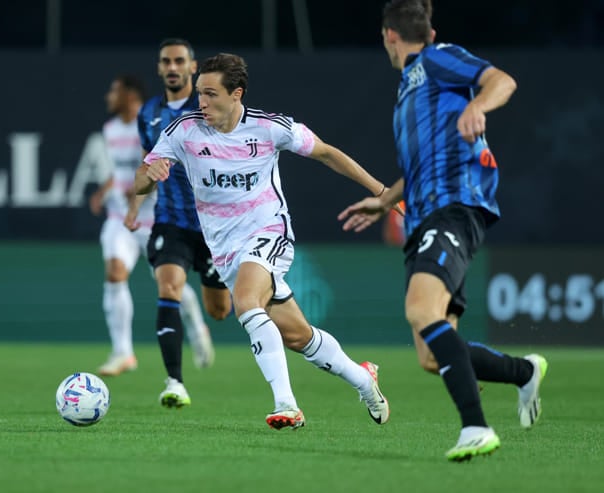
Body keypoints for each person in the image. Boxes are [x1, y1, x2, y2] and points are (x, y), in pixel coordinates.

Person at [338, 0, 547, 461]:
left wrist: (478, 103)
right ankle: (523, 373)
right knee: (432, 355)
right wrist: (386, 201)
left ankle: (476, 428)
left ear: (389, 35)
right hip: (423, 217)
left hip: (454, 208)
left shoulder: (436, 59)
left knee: (419, 308)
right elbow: (422, 166)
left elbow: (501, 80)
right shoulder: (410, 90)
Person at [136, 52, 390, 430]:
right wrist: (149, 171)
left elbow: (327, 153)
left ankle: (287, 404)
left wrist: (383, 192)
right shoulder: (183, 131)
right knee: (298, 336)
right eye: (200, 94)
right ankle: (362, 379)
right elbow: (140, 179)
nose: (201, 102)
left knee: (245, 301)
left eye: (211, 94)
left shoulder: (269, 128)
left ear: (236, 94)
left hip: (268, 232)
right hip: (224, 250)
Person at [125, 39, 232, 408]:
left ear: (192, 67)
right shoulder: (149, 113)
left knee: (220, 311)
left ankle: (200, 326)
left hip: (216, 226)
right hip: (171, 222)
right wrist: (134, 205)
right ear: (159, 68)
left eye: (179, 61)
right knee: (168, 287)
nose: (172, 67)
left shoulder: (206, 106)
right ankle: (175, 381)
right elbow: (145, 163)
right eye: (166, 61)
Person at [91, 74, 215, 377]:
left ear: (131, 96)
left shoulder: (148, 126)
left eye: (114, 90)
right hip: (120, 218)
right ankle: (122, 353)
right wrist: (106, 190)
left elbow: (160, 165)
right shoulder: (109, 129)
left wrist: (139, 189)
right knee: (115, 272)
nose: (109, 95)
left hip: (155, 217)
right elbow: (121, 170)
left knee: (170, 286)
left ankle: (196, 326)